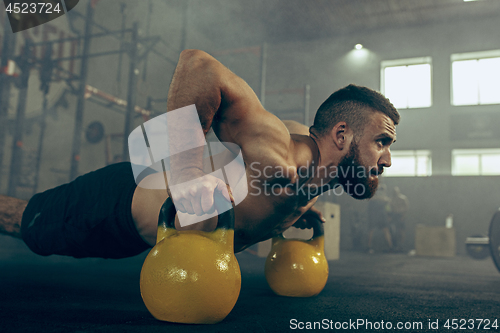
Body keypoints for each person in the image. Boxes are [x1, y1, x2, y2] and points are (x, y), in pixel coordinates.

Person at [0, 49, 399, 258]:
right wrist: (186, 169)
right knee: (23, 222)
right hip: (115, 205)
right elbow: (198, 65)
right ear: (342, 134)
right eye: (382, 141)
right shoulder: (280, 153)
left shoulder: (316, 165)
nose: (387, 160)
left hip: (151, 241)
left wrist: (295, 209)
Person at [367, 184, 393, 253]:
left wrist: (389, 215)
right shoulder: (373, 196)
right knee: (371, 230)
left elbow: (388, 206)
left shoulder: (385, 198)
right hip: (374, 215)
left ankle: (390, 247)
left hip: (382, 215)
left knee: (386, 230)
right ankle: (368, 247)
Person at [389, 186, 409, 252]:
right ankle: (395, 246)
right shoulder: (392, 199)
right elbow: (390, 208)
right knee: (394, 231)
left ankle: (401, 246)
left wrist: (403, 216)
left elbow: (406, 208)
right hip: (394, 216)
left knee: (401, 231)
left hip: (401, 216)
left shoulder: (402, 198)